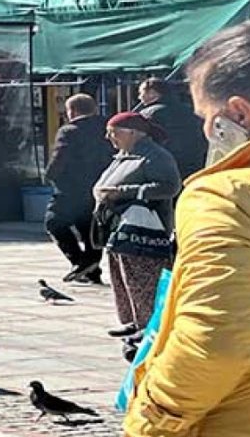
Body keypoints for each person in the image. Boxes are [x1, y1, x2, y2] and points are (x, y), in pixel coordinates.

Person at [125, 22, 250, 437]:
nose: (203, 130)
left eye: (205, 116)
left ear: (237, 114)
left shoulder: (225, 196)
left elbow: (214, 345)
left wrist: (150, 420)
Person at [93, 112, 181, 340]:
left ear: (132, 133)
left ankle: (148, 324)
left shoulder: (155, 156)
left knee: (144, 279)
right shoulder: (124, 154)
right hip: (119, 226)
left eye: (113, 133)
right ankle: (131, 320)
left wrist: (123, 192)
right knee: (122, 277)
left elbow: (169, 186)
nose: (108, 138)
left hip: (145, 228)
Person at [43, 95, 112, 284]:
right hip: (102, 185)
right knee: (89, 227)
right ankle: (91, 271)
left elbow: (60, 158)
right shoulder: (107, 126)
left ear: (71, 111)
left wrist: (50, 176)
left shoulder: (70, 131)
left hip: (72, 188)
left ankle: (80, 261)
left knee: (54, 222)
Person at [137, 77, 209, 181]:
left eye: (141, 93)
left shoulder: (147, 115)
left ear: (152, 93)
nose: (139, 97)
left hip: (164, 164)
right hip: (194, 160)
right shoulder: (190, 110)